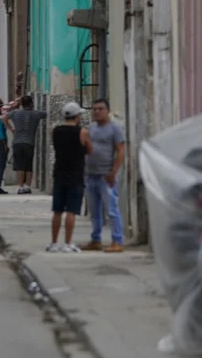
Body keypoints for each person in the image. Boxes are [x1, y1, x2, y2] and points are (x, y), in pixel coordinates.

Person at [82, 98, 127, 253]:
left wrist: (113, 172)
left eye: (100, 109)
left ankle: (117, 240)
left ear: (107, 111)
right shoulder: (91, 128)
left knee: (112, 210)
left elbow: (120, 151)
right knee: (95, 211)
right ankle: (96, 239)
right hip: (91, 175)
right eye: (94, 109)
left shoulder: (114, 129)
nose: (97, 112)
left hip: (106, 176)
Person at [47, 102, 91, 252]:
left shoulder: (55, 131)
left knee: (57, 210)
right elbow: (89, 149)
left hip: (59, 173)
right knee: (71, 211)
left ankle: (54, 243)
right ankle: (67, 243)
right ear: (77, 116)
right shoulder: (82, 132)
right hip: (75, 175)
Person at [7, 95, 47, 195]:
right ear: (31, 103)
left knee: (20, 166)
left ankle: (20, 187)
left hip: (17, 142)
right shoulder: (36, 114)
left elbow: (3, 118)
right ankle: (27, 186)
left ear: (22, 104)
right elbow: (46, 114)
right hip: (29, 143)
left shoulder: (15, 113)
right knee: (28, 166)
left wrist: (11, 128)